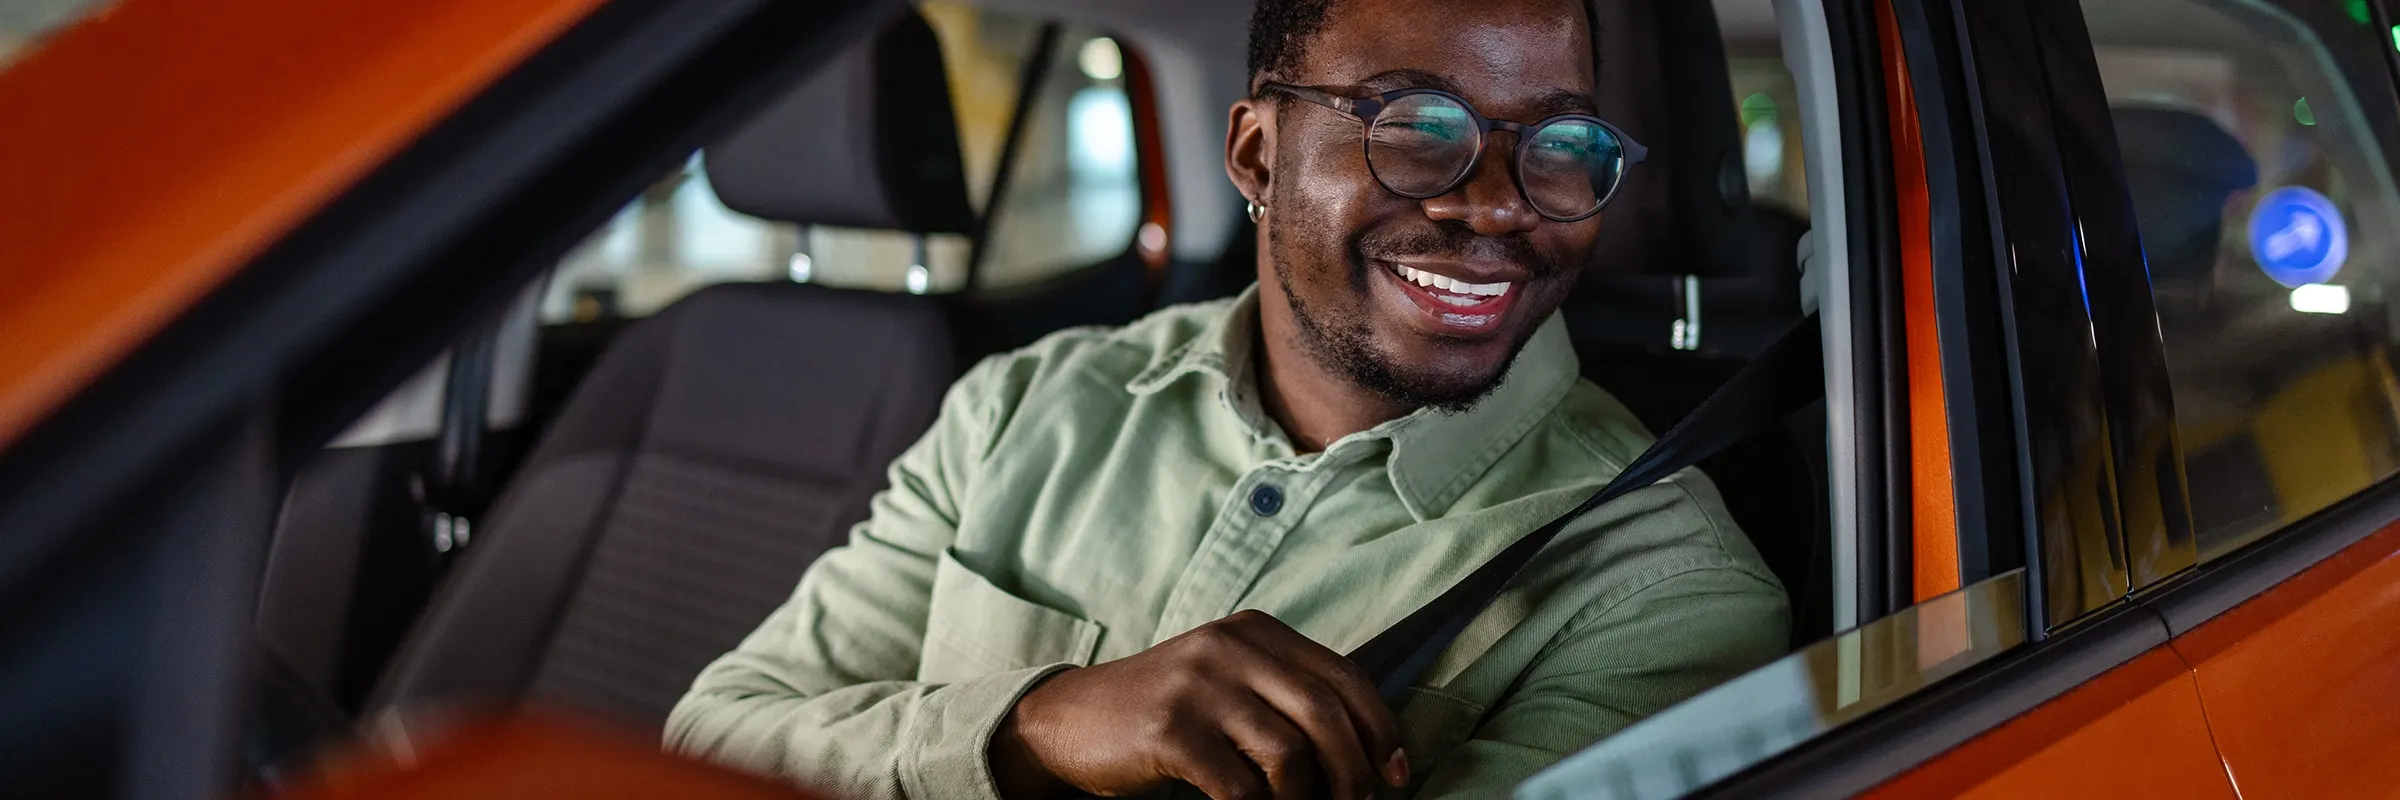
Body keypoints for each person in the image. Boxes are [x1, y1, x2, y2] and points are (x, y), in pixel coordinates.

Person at [665, 0, 1788, 796]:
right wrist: (1036, 727)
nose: (1496, 208)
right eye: (1416, 128)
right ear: (1256, 155)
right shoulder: (1028, 408)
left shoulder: (1663, 589)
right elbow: (713, 739)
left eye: (1561, 145)